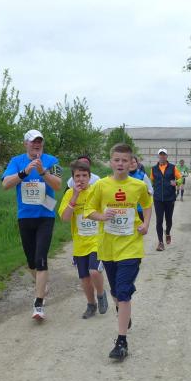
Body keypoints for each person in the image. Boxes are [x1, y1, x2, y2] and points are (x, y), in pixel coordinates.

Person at [84, 143, 152, 360]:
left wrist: (146, 224)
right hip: (108, 247)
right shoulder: (101, 186)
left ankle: (121, 342)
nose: (120, 164)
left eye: (125, 160)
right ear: (110, 162)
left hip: (131, 247)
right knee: (115, 291)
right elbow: (88, 210)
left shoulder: (138, 185)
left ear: (131, 163)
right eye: (117, 160)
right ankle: (124, 310)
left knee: (122, 291)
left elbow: (147, 204)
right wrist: (102, 216)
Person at [2, 129, 63, 321]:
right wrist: (25, 171)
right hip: (25, 216)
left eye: (39, 142)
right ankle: (41, 286)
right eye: (33, 142)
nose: (37, 144)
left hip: (46, 215)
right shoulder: (16, 161)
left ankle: (38, 303)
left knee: (40, 258)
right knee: (31, 261)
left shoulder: (52, 161)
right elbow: (5, 184)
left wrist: (42, 171)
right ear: (25, 144)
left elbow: (57, 185)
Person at [58, 159, 109, 319]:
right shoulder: (69, 194)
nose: (81, 179)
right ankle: (91, 304)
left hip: (97, 240)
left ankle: (101, 294)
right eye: (77, 176)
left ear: (89, 177)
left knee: (94, 271)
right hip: (80, 243)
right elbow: (65, 218)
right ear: (73, 178)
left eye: (84, 175)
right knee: (85, 278)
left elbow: (106, 211)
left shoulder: (96, 191)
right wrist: (74, 197)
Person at [149, 148, 181, 251]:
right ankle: (160, 242)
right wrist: (150, 189)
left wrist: (176, 183)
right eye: (160, 155)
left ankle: (167, 233)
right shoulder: (154, 169)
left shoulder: (173, 167)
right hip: (158, 198)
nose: (162, 156)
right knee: (159, 220)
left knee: (169, 219)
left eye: (164, 155)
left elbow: (180, 178)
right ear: (158, 156)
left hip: (169, 198)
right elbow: (151, 181)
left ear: (167, 156)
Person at [129, 154, 154, 222]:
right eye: (129, 162)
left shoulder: (142, 175)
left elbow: (151, 190)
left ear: (137, 163)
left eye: (133, 162)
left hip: (140, 209)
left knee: (140, 227)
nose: (131, 164)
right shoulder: (122, 175)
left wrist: (147, 192)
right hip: (127, 208)